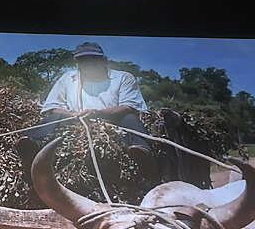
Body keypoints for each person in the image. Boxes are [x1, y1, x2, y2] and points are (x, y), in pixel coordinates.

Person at [16, 41, 157, 174]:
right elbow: (54, 107)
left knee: (130, 118)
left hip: (112, 122)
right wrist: (71, 114)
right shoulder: (67, 78)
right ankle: (30, 141)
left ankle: (141, 149)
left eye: (93, 59)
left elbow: (129, 106)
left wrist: (97, 113)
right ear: (77, 62)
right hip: (75, 121)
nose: (88, 63)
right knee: (54, 118)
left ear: (103, 59)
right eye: (84, 60)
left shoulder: (123, 78)